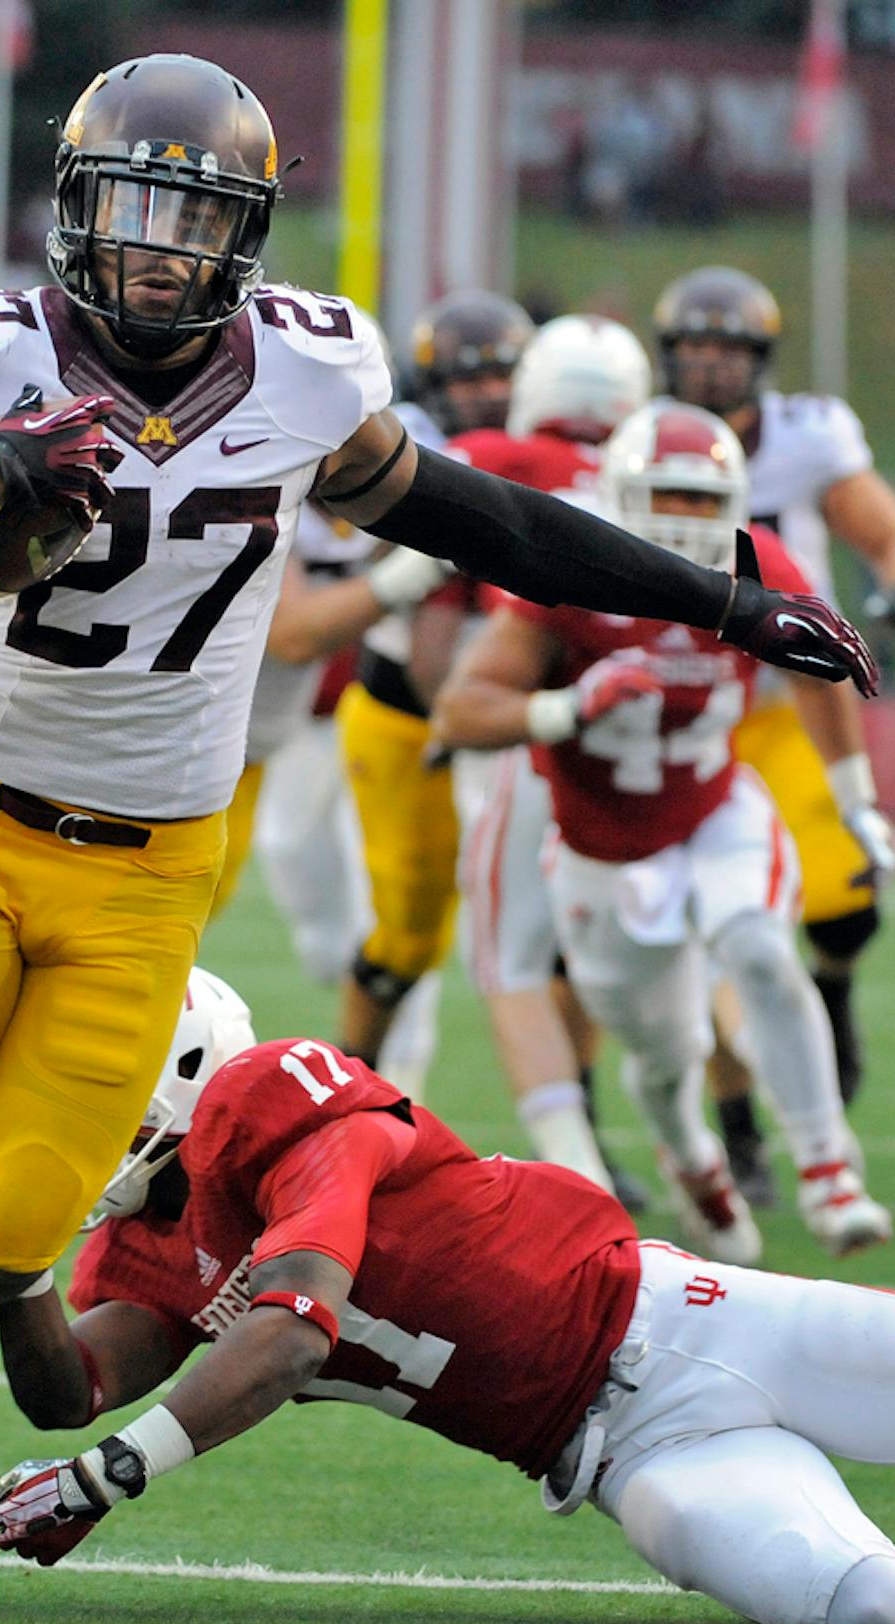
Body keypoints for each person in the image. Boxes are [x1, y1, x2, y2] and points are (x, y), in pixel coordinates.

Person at [0, 52, 876, 1624]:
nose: (159, 249)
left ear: (247, 238)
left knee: (12, 1225)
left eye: (193, 218)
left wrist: (721, 590)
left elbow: (491, 522)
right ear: (77, 213)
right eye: (134, 211)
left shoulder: (303, 370)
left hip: (157, 858)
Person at [0, 972, 895, 1624]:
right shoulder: (139, 1246)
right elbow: (71, 1388)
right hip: (620, 1453)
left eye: (84, 1094)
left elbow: (291, 1324)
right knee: (887, 1611)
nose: (61, 1123)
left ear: (179, 1063)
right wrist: (18, 1264)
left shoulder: (281, 1087)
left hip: (687, 1317)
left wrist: (107, 1478)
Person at [437, 401, 894, 1261]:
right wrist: (568, 704)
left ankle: (832, 1172)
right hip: (601, 851)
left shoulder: (756, 557)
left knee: (759, 944)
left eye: (699, 499)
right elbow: (463, 707)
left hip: (716, 805)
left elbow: (819, 669)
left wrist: (855, 797)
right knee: (663, 1052)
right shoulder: (571, 565)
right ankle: (691, 1154)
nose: (684, 519)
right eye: (666, 496)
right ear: (619, 492)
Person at [654, 267, 895, 1197]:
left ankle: (837, 990)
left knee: (846, 898)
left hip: (790, 700)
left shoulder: (804, 441)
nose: (710, 365)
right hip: (684, 702)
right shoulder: (640, 439)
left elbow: (890, 531)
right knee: (708, 938)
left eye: (729, 349)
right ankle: (739, 1129)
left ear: (761, 361)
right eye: (695, 346)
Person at [444, 313, 654, 1204]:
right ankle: (656, 1141)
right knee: (587, 950)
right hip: (654, 733)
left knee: (508, 956)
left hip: (535, 721)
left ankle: (579, 1171)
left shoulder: (499, 452)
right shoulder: (658, 461)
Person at [329, 289, 537, 1085]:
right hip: (407, 718)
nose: (486, 392)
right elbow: (410, 606)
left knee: (544, 933)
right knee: (406, 934)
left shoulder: (547, 449)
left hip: (509, 717)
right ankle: (353, 1084)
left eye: (500, 375)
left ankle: (577, 1116)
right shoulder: (401, 444)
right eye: (466, 376)